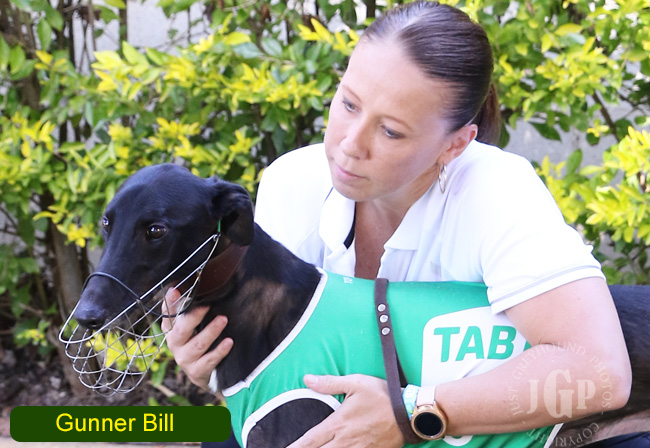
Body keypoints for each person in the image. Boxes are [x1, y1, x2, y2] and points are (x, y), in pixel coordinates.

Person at [163, 2, 633, 447]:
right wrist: (213, 360)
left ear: (455, 144)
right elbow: (277, 371)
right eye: (349, 104)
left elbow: (602, 373)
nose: (350, 144)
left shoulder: (497, 192)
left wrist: (413, 411)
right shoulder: (292, 183)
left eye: (390, 131)